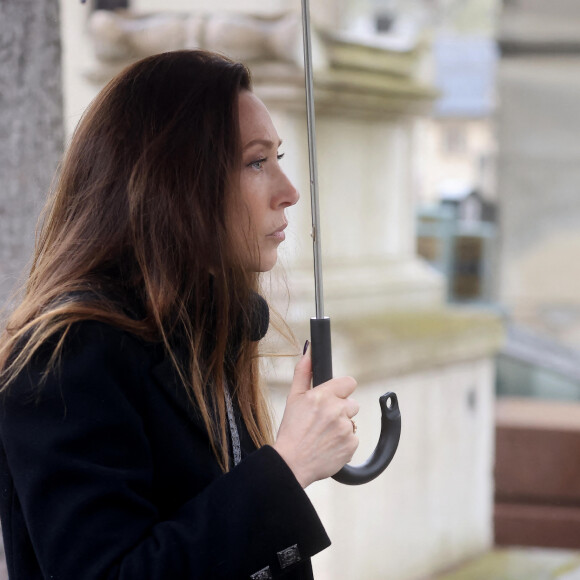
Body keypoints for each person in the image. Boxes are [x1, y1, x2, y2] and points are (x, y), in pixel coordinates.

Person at [0, 50, 359, 579]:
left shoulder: (200, 334)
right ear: (174, 179)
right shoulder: (67, 356)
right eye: (257, 162)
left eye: (278, 158)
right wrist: (286, 468)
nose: (288, 192)